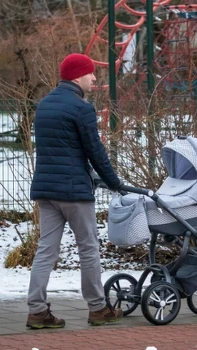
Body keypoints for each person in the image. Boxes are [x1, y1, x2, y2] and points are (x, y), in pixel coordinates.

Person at [25, 53, 124, 329]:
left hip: (46, 190)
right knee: (89, 247)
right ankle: (98, 307)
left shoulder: (43, 106)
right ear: (78, 75)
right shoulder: (82, 109)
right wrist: (114, 182)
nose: (94, 78)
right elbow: (95, 151)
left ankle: (37, 310)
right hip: (75, 192)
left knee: (46, 250)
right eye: (91, 73)